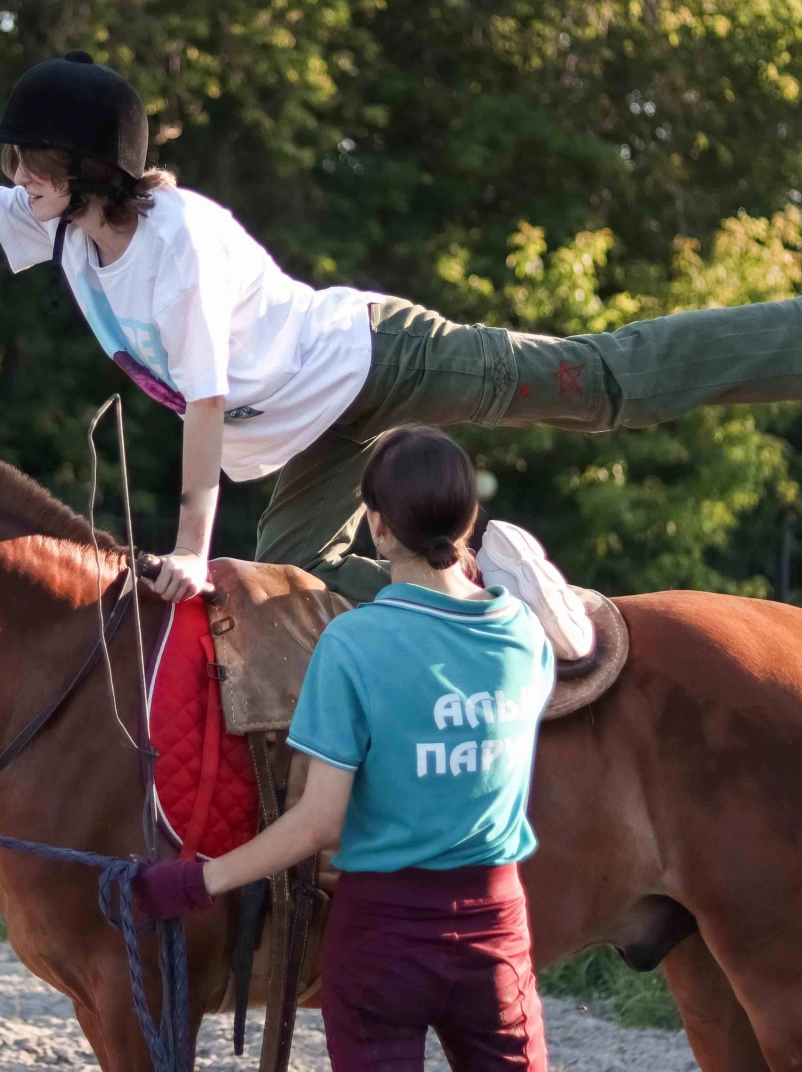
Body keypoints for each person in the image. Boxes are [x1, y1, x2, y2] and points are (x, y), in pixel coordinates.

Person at [0, 50, 802, 643]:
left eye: (27, 159)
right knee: (276, 609)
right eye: (12, 164)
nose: (8, 179)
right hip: (298, 437)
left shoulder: (174, 241)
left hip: (376, 360)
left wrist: (185, 546)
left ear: (88, 168)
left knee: (600, 387)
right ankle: (471, 579)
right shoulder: (58, 225)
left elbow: (202, 409)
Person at [131, 425, 556, 1071]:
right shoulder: (523, 630)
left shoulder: (354, 643)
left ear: (378, 527)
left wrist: (194, 882)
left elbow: (318, 822)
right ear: (468, 521)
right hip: (496, 931)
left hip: (383, 935)